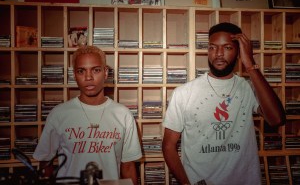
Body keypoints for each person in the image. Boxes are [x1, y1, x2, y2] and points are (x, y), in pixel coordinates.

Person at [162, 22, 286, 185]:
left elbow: (276, 119)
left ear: (239, 52)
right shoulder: (184, 93)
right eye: (212, 47)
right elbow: (168, 146)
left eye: (227, 47)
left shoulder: (249, 87)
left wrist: (249, 64)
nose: (218, 54)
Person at [33, 45, 142, 184]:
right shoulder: (59, 114)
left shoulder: (123, 115)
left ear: (105, 72)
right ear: (74, 75)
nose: (88, 77)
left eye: (95, 70)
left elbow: (127, 167)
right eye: (81, 71)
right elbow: (45, 163)